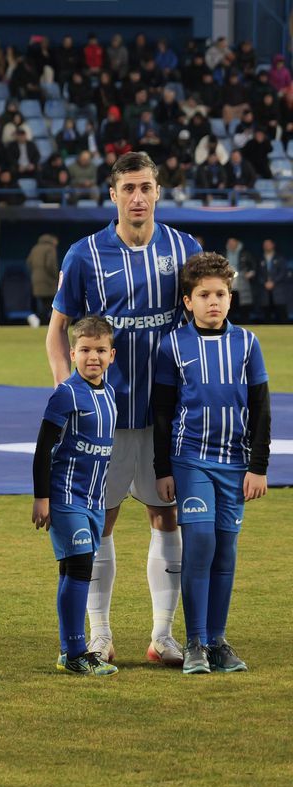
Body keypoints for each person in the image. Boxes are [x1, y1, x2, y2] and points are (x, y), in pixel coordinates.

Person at [47, 151, 201, 666]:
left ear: (159, 192)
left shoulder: (185, 250)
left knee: (167, 517)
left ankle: (162, 636)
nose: (138, 197)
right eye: (128, 188)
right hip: (105, 423)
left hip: (164, 422)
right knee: (100, 523)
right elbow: (56, 334)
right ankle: (100, 634)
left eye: (146, 187)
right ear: (111, 194)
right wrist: (72, 399)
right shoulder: (84, 254)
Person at [152, 253, 270, 674]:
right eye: (204, 294)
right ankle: (196, 641)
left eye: (220, 293)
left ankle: (218, 641)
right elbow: (162, 411)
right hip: (191, 462)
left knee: (226, 551)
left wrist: (258, 467)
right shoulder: (172, 346)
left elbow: (261, 409)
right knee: (200, 544)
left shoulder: (247, 344)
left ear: (230, 297)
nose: (213, 301)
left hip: (235, 464)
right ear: (188, 301)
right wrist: (162, 468)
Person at [31, 315, 119, 676]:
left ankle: (70, 652)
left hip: (95, 500)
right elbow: (43, 448)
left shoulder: (110, 393)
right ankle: (75, 651)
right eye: (85, 350)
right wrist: (42, 497)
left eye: (100, 350)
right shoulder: (66, 393)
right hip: (66, 496)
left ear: (112, 354)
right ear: (72, 353)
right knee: (81, 565)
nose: (92, 357)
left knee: (73, 567)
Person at [26, 233, 59, 327]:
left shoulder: (35, 248)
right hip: (48, 281)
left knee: (44, 303)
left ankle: (41, 321)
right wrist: (56, 276)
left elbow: (28, 262)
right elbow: (51, 265)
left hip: (36, 280)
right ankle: (37, 318)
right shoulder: (50, 249)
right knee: (50, 303)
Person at [258, 239, 291, 323]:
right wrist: (264, 283)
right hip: (265, 291)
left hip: (278, 291)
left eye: (268, 244)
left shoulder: (280, 258)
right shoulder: (260, 259)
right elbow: (258, 274)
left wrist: (273, 282)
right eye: (265, 244)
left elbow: (283, 272)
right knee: (266, 316)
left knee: (282, 316)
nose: (266, 246)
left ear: (273, 245)